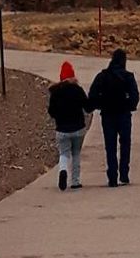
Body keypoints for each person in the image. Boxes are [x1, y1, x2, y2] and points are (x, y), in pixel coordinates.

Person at [87, 48, 139, 187]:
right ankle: (124, 174)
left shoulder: (102, 76)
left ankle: (112, 176)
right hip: (124, 115)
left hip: (108, 115)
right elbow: (135, 96)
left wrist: (99, 105)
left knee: (110, 146)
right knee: (125, 144)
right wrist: (129, 106)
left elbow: (92, 95)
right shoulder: (128, 77)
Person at [47, 60, 90, 191]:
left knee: (64, 153)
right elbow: (87, 107)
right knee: (76, 153)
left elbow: (51, 111)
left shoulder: (55, 92)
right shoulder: (77, 90)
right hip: (78, 128)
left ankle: (63, 170)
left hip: (62, 129)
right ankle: (75, 181)